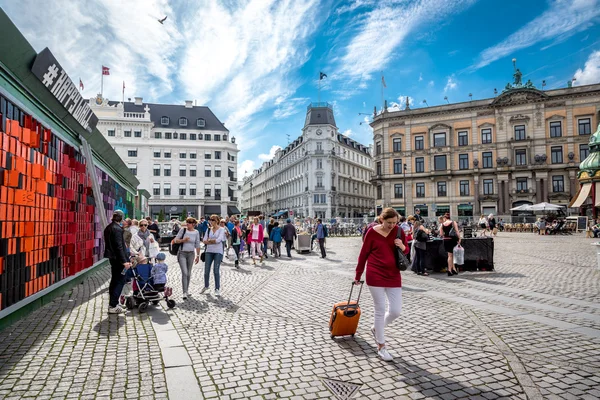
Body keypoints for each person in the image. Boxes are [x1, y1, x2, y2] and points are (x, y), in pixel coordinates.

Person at [354, 208, 405, 362]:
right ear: (382, 219)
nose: (392, 225)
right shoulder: (371, 232)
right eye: (389, 222)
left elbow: (406, 250)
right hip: (375, 274)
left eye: (395, 223)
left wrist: (402, 246)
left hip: (393, 275)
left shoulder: (398, 231)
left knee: (396, 311)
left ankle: (377, 328)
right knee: (380, 309)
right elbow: (363, 254)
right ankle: (381, 346)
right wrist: (358, 274)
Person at [103, 211, 131, 314]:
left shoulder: (109, 227)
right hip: (119, 260)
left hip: (113, 259)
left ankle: (113, 303)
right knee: (119, 281)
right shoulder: (117, 229)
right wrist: (124, 261)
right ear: (121, 219)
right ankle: (113, 305)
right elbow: (119, 247)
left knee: (114, 280)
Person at [173, 217, 201, 299]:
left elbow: (197, 244)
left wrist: (198, 256)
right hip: (182, 253)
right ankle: (184, 292)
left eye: (189, 222)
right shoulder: (183, 230)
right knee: (184, 272)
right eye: (187, 222)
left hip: (191, 254)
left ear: (194, 224)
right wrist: (183, 240)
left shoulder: (196, 232)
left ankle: (187, 290)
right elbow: (175, 240)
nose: (187, 223)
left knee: (188, 273)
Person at [201, 214, 227, 296]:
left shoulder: (221, 229)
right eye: (210, 220)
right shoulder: (208, 230)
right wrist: (211, 241)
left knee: (216, 270)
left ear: (217, 221)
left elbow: (219, 240)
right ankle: (206, 286)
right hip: (209, 251)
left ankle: (217, 288)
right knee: (206, 270)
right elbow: (204, 240)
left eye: (213, 220)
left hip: (218, 252)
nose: (211, 221)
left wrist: (210, 241)